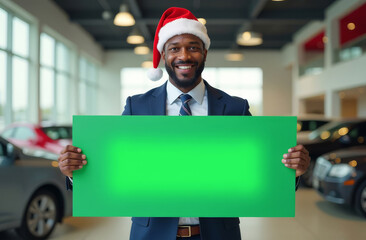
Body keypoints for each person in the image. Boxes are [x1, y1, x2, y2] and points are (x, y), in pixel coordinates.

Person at [58, 7, 310, 240]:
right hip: (152, 233)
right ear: (163, 55)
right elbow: (115, 167)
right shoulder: (138, 106)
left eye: (193, 47)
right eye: (175, 48)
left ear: (205, 53)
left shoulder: (235, 107)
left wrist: (292, 172)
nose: (184, 55)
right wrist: (75, 174)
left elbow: (260, 169)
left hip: (217, 233)